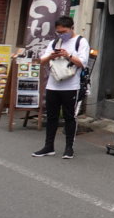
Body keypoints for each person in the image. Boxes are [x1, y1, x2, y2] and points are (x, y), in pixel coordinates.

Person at [33, 16, 90, 159]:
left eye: (64, 31)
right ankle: (48, 146)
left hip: (71, 85)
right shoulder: (54, 42)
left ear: (71, 28)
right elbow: (41, 61)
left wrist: (68, 55)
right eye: (58, 32)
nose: (61, 34)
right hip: (53, 85)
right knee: (51, 117)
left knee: (69, 117)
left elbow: (82, 63)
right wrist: (51, 56)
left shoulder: (81, 42)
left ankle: (69, 148)